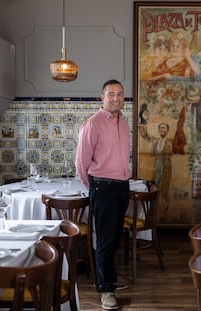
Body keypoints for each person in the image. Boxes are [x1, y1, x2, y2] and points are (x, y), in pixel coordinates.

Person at [75, 79, 130, 310]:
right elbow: (81, 162)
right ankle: (106, 290)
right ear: (102, 97)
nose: (116, 98)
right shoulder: (93, 124)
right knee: (105, 241)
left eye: (119, 94)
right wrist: (95, 186)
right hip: (103, 187)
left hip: (122, 187)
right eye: (111, 94)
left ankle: (109, 277)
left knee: (116, 236)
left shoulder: (123, 121)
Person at [139, 122, 172, 219]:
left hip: (166, 165)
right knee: (155, 186)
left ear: (167, 130)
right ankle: (155, 212)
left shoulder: (169, 142)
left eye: (164, 128)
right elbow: (147, 137)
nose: (162, 130)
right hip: (157, 164)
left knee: (164, 188)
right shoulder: (156, 141)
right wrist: (142, 129)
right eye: (161, 128)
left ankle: (164, 211)